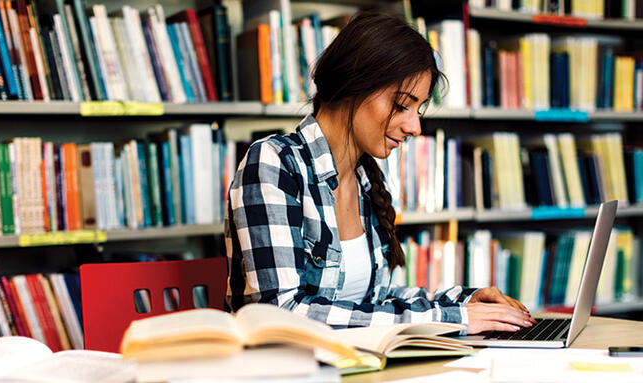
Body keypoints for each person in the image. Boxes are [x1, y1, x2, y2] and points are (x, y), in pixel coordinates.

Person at [225, 11, 535, 334]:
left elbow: (371, 303)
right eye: (402, 105)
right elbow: (281, 315)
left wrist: (463, 303)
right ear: (353, 86)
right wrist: (450, 320)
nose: (415, 127)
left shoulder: (365, 178)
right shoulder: (274, 164)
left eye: (419, 109)